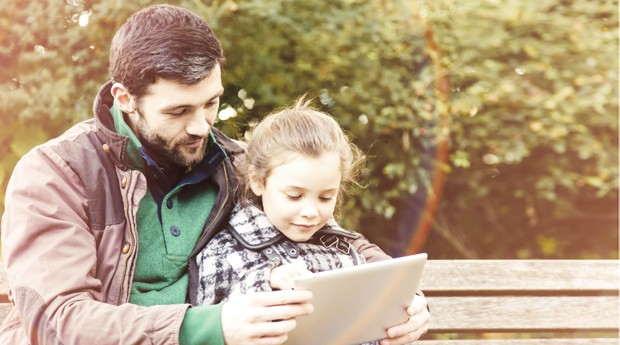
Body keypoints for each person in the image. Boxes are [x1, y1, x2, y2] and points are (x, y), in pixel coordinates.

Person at [0, 4, 429, 345]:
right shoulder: (57, 173)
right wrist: (209, 328)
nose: (202, 126)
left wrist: (396, 298)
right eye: (179, 111)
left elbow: (334, 235)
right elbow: (54, 322)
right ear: (125, 98)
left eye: (211, 103)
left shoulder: (237, 163)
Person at [196, 98, 422, 345]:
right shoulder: (224, 248)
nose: (311, 211)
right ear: (258, 182)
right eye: (295, 196)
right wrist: (264, 279)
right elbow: (213, 325)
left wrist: (393, 325)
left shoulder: (343, 248)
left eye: (326, 197)